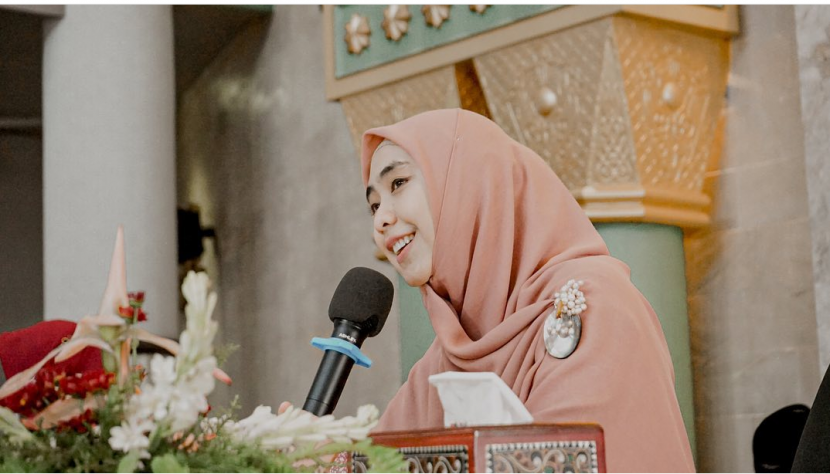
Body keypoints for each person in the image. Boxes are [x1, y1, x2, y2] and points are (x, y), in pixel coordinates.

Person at [360, 109, 695, 472]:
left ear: (467, 183)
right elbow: (375, 462)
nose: (381, 220)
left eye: (398, 183)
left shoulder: (592, 309)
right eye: (374, 205)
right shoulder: (447, 355)